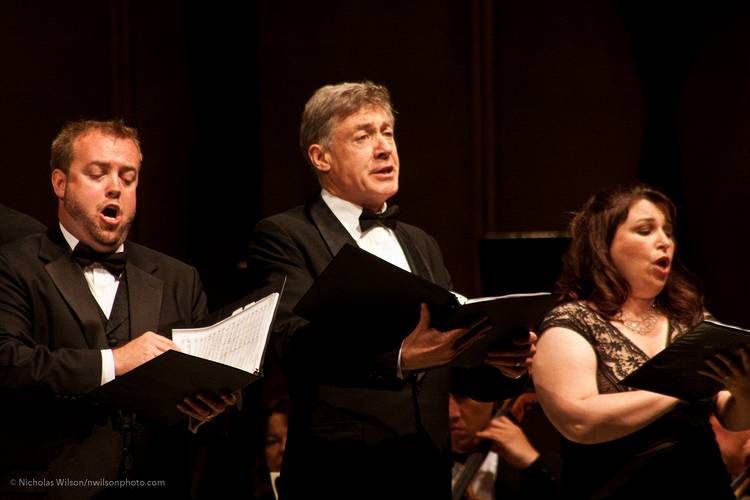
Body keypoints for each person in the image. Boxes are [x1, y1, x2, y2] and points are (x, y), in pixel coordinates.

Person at [247, 81, 534, 499]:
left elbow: (448, 361)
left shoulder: (421, 243)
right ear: (320, 157)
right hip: (341, 476)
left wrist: (504, 365)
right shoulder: (286, 235)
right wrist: (397, 359)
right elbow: (290, 341)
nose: (384, 148)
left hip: (426, 473)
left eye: (387, 132)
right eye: (363, 136)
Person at [0, 120, 234, 499]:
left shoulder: (179, 277)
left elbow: (202, 385)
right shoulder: (14, 265)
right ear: (60, 183)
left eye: (128, 177)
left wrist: (205, 410)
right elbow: (9, 363)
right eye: (98, 173)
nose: (115, 187)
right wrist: (116, 362)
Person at [532, 183, 750, 498]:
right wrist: (682, 388)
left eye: (669, 231)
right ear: (603, 243)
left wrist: (744, 392)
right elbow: (579, 421)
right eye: (645, 230)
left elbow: (731, 417)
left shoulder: (689, 318)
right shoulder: (571, 322)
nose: (664, 242)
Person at [449, 386, 559, 499]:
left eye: (462, 397)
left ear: (493, 399)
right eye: (442, 400)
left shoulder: (547, 456)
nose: (452, 414)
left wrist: (533, 462)